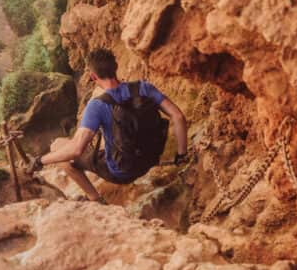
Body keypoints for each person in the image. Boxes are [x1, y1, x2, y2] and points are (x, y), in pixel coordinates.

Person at [29, 48, 188, 202]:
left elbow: (76, 149)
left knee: (62, 152)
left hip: (121, 172)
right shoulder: (144, 88)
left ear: (93, 76)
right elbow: (178, 117)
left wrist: (39, 161)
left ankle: (95, 199)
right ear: (116, 67)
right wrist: (181, 155)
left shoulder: (97, 105)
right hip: (150, 159)